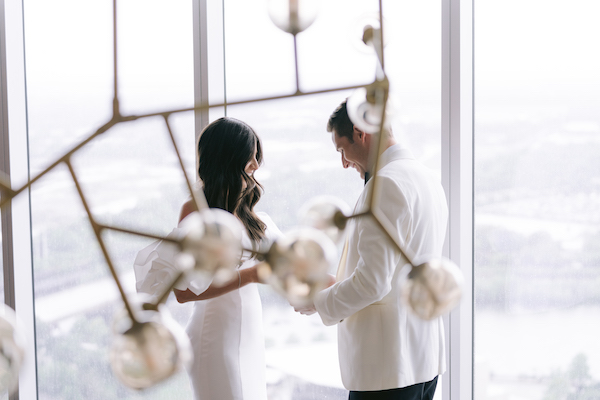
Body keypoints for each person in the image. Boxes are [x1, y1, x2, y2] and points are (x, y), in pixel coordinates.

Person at [296, 100, 448, 400]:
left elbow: (373, 283)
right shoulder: (428, 179)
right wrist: (339, 280)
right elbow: (397, 271)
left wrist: (319, 300)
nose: (343, 162)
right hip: (421, 358)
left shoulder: (385, 186)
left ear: (360, 132)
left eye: (342, 149)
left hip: (387, 368)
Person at [133, 117, 280, 400]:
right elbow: (184, 292)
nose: (257, 165)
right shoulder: (195, 210)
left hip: (250, 332)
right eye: (251, 156)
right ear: (229, 157)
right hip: (215, 339)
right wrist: (251, 276)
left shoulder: (246, 209)